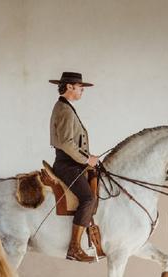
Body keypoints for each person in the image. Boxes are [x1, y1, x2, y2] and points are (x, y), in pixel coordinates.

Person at [49, 71, 100, 262]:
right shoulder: (63, 109)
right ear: (69, 87)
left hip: (73, 161)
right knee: (88, 199)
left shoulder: (66, 107)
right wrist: (87, 160)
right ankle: (74, 248)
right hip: (67, 164)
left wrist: (89, 158)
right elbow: (65, 143)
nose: (82, 91)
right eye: (80, 87)